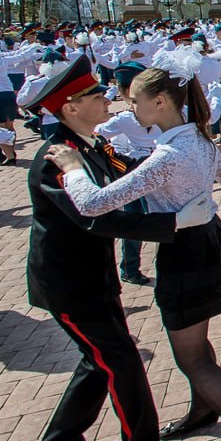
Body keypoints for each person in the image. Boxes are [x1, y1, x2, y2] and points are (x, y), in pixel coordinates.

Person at [43, 52, 221, 441]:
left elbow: (93, 203)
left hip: (185, 253)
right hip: (210, 240)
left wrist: (73, 168)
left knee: (193, 359)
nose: (129, 107)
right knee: (197, 342)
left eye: (135, 101)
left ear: (160, 102)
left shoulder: (167, 155)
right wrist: (200, 178)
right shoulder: (197, 138)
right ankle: (202, 410)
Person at [21, 55, 213, 441]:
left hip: (93, 278)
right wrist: (173, 222)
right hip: (70, 285)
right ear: (71, 107)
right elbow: (97, 218)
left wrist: (182, 161)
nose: (107, 99)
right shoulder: (57, 158)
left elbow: (129, 175)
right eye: (95, 95)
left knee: (98, 362)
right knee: (122, 362)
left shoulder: (90, 145)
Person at [94, 61, 160, 286]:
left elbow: (97, 135)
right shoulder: (162, 110)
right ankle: (140, 267)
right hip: (158, 166)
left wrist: (114, 155)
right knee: (164, 215)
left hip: (136, 168)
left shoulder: (123, 118)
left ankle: (131, 268)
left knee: (134, 221)